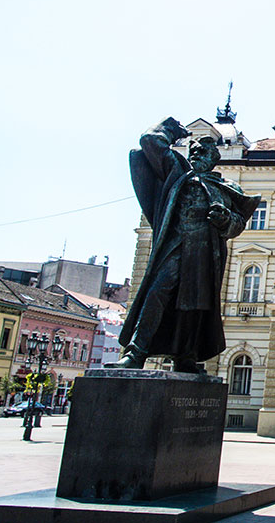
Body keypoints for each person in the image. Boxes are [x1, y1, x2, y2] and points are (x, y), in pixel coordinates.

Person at [110, 118, 260, 372]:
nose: (197, 154)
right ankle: (136, 352)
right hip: (175, 245)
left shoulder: (226, 188)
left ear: (214, 158)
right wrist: (170, 128)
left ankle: (186, 356)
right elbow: (148, 141)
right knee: (156, 295)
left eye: (203, 152)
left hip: (203, 251)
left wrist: (225, 220)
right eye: (194, 151)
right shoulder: (176, 174)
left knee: (195, 305)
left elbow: (238, 224)